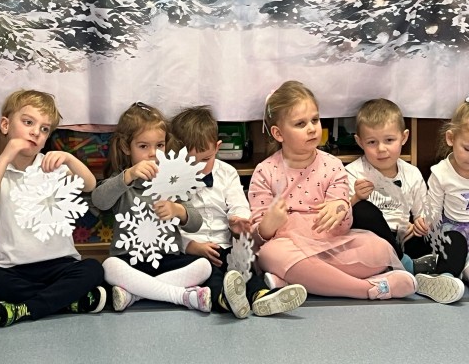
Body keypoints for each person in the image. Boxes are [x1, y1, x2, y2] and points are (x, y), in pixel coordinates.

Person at [249, 81, 417, 300]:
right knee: (270, 254)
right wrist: (267, 225)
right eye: (300, 124)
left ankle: (296, 280)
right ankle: (368, 289)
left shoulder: (333, 165)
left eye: (315, 120)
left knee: (379, 249)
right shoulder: (265, 172)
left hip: (330, 245)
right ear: (278, 133)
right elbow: (257, 239)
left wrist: (340, 210)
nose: (312, 128)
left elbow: (343, 226)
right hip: (289, 246)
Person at [0, 90, 105, 330]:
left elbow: (89, 185)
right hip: (14, 269)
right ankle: (66, 301)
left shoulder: (52, 167)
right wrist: (6, 156)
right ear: (5, 125)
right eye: (28, 122)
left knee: (93, 269)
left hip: (61, 264)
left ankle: (25, 309)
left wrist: (69, 159)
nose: (36, 132)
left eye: (44, 129)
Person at [171, 105, 307, 318]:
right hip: (194, 250)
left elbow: (238, 203)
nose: (199, 168)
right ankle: (225, 300)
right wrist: (190, 245)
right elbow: (168, 227)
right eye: (190, 162)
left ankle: (261, 295)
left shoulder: (227, 173)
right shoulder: (171, 180)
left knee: (245, 263)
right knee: (209, 275)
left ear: (217, 147)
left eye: (205, 159)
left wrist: (238, 220)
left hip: (224, 242)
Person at [91, 102, 213, 312]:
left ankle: (135, 295)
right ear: (126, 147)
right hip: (129, 260)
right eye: (143, 146)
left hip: (168, 259)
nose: (153, 153)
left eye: (160, 145)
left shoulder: (173, 181)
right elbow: (99, 201)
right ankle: (181, 295)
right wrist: (128, 176)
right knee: (109, 267)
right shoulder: (122, 181)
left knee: (204, 266)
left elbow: (196, 223)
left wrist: (178, 211)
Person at [347, 98, 466, 304]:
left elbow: (424, 214)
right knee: (363, 209)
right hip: (374, 242)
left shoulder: (412, 173)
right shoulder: (353, 172)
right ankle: (402, 264)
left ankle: (443, 277)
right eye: (372, 142)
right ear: (359, 142)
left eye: (389, 140)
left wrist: (420, 224)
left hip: (405, 241)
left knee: (455, 239)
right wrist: (356, 197)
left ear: (404, 137)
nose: (381, 149)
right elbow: (344, 216)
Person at [427, 98, 469, 287]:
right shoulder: (441, 173)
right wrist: (425, 224)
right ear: (451, 138)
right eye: (467, 149)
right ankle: (444, 278)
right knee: (455, 244)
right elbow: (433, 212)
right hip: (452, 232)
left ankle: (459, 274)